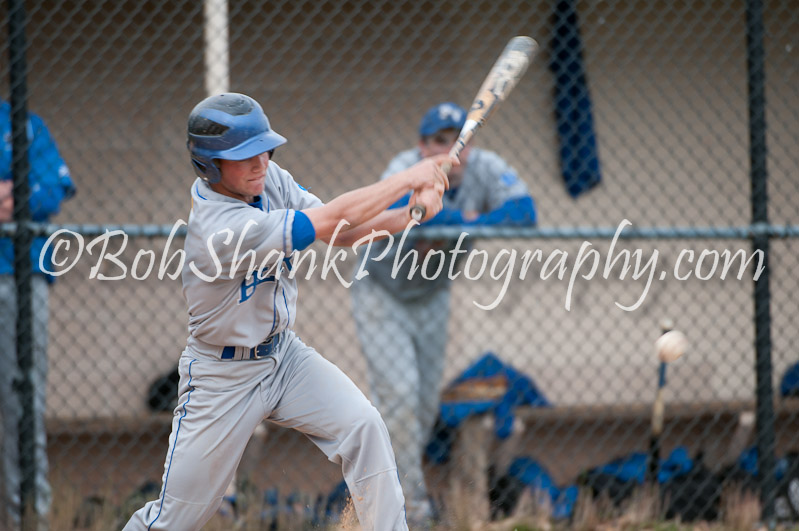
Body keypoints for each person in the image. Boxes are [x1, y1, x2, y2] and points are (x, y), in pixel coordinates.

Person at [123, 92, 454, 531]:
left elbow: (341, 231)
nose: (260, 163)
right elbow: (326, 220)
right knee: (177, 518)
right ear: (210, 165)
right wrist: (409, 178)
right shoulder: (219, 229)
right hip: (223, 376)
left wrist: (411, 213)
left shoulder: (268, 180)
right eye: (244, 156)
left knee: (364, 426)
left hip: (285, 358)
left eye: (264, 151)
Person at [350, 102, 537, 525]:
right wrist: (469, 220)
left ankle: (389, 498)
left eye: (458, 141)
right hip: (382, 291)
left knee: (423, 407)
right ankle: (409, 511)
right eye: (439, 141)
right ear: (422, 147)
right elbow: (414, 214)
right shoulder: (404, 166)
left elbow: (525, 213)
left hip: (433, 295)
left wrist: (463, 223)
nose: (451, 150)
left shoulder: (485, 166)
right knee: (399, 398)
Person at [0, 99, 76, 530]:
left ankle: (27, 520)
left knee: (23, 406)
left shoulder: (24, 126)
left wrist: (16, 198)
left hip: (20, 275)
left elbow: (50, 191)